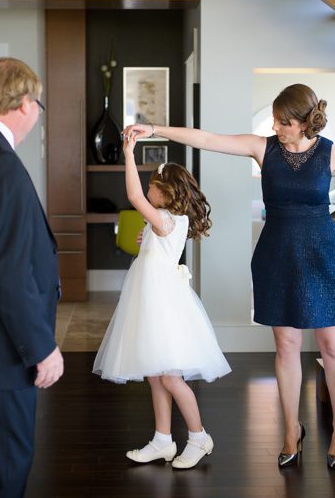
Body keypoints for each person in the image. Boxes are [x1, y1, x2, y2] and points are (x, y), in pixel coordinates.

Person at [123, 84, 335, 468]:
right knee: (286, 347)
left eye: (283, 121)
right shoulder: (263, 147)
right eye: (274, 119)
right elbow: (206, 139)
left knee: (333, 346)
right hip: (276, 256)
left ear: (305, 122)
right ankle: (291, 430)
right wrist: (154, 129)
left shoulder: (331, 152)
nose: (275, 126)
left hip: (325, 257)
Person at [93, 136, 231, 469]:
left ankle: (199, 436)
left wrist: (128, 152)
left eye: (153, 186)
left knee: (170, 377)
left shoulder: (167, 219)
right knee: (155, 375)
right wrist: (147, 237)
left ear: (166, 193)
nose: (148, 191)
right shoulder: (163, 219)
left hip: (163, 304)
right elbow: (153, 235)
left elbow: (132, 196)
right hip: (150, 299)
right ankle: (162, 440)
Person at [0, 57, 64, 496]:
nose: (38, 114)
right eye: (38, 103)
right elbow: (8, 270)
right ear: (25, 103)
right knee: (1, 475)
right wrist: (41, 347)